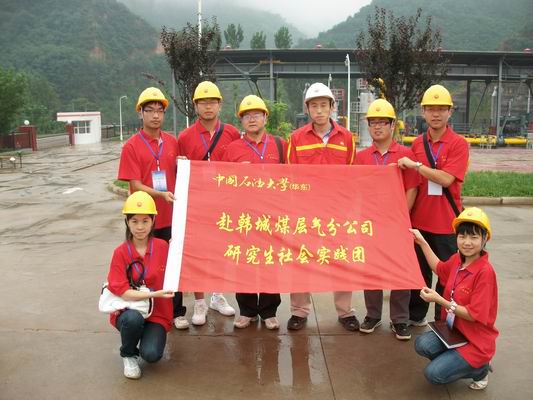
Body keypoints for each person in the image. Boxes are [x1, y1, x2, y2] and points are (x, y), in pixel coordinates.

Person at [286, 82, 358, 331]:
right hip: (305, 212)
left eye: (323, 105)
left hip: (337, 212)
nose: (319, 110)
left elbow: (352, 175)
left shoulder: (346, 138)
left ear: (331, 107)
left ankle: (345, 311)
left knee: (341, 260)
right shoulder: (296, 138)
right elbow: (290, 177)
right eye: (314, 106)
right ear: (307, 109)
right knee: (301, 260)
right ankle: (299, 311)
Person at [397, 84, 469, 325]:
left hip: (447, 223)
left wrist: (417, 166)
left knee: (447, 275)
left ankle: (442, 320)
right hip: (419, 221)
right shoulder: (418, 144)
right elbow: (411, 184)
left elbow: (447, 179)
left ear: (450, 112)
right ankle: (415, 316)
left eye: (441, 109)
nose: (435, 114)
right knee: (419, 273)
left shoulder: (458, 144)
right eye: (430, 109)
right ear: (423, 112)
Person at [117, 87, 188, 330]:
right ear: (141, 113)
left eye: (160, 110)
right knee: (143, 265)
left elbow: (179, 173)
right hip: (143, 219)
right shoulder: (131, 146)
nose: (155, 115)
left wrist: (182, 165)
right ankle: (143, 309)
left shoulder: (172, 142)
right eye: (150, 110)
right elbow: (135, 185)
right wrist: (160, 194)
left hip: (170, 217)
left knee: (171, 265)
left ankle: (176, 312)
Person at [215, 95, 287, 330]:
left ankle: (269, 311)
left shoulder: (280, 145)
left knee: (270, 263)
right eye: (247, 115)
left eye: (256, 114)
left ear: (266, 117)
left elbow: (292, 178)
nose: (252, 119)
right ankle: (247, 311)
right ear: (241, 121)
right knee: (243, 263)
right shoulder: (232, 149)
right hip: (243, 217)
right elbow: (222, 182)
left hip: (272, 216)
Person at [411, 207, 498, 390]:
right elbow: (438, 268)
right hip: (455, 331)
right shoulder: (458, 259)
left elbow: (472, 315)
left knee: (433, 374)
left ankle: (480, 369)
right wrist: (422, 242)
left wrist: (439, 300)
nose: (467, 242)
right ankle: (455, 361)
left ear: (484, 239)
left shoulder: (485, 272)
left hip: (475, 341)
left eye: (474, 237)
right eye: (462, 236)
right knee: (422, 344)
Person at [177, 80, 239, 325]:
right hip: (198, 205)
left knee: (221, 252)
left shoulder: (232, 133)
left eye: (212, 101)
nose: (208, 106)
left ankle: (217, 296)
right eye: (203, 102)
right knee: (198, 254)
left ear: (220, 105)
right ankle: (200, 302)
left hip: (225, 204)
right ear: (195, 106)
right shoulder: (185, 137)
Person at [356, 99, 418, 340]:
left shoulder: (405, 154)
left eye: (383, 122)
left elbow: (411, 188)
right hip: (370, 224)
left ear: (393, 125)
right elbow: (356, 191)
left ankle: (399, 319)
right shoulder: (362, 157)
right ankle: (373, 315)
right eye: (373, 122)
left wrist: (401, 216)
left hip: (397, 223)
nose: (377, 127)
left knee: (399, 270)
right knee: (371, 270)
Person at [106, 191, 175, 379]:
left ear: (153, 221)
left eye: (145, 221)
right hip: (129, 311)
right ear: (127, 222)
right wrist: (155, 294)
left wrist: (179, 249)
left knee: (151, 354)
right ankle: (128, 354)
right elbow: (123, 292)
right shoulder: (120, 253)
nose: (140, 227)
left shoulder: (163, 247)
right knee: (132, 320)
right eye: (134, 221)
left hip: (157, 314)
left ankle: (145, 337)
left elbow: (181, 269)